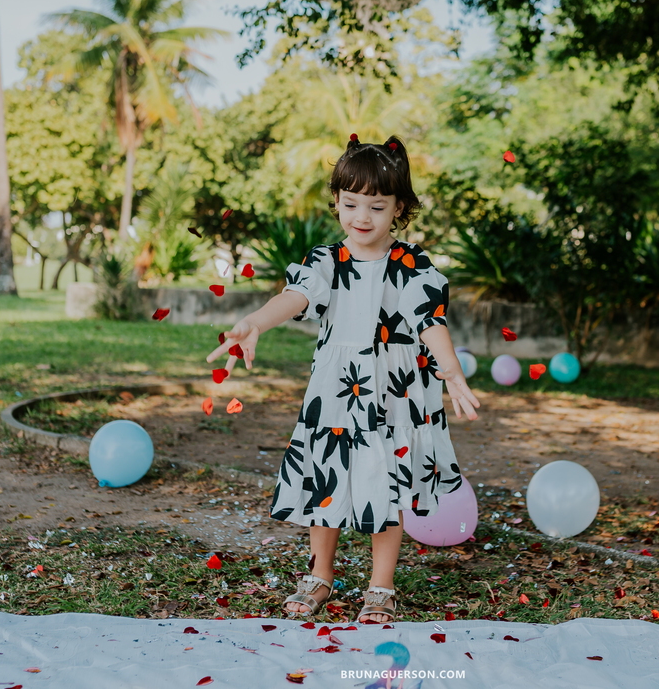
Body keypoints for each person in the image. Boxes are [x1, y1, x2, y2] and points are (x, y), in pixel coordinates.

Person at [206, 133, 480, 624]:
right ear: (336, 202)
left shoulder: (412, 264)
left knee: (388, 485)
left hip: (394, 394)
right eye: (350, 203)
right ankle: (320, 575)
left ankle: (381, 585)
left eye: (376, 206)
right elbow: (297, 296)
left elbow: (430, 320)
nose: (361, 217)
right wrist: (255, 322)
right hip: (338, 390)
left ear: (400, 208)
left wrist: (451, 371)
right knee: (325, 482)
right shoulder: (327, 261)